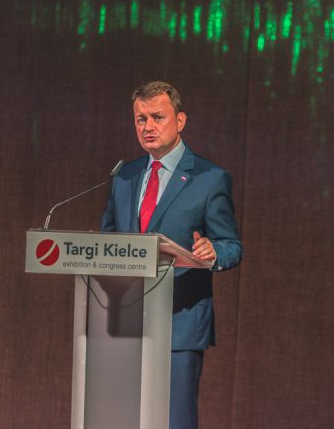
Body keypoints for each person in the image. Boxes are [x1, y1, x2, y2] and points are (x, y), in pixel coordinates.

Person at [101, 81, 243, 428]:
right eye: (140, 119)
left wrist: (212, 251)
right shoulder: (125, 176)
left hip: (179, 324)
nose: (147, 127)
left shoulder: (209, 179)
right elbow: (108, 240)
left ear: (180, 120)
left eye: (157, 117)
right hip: (124, 320)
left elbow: (231, 244)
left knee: (173, 421)